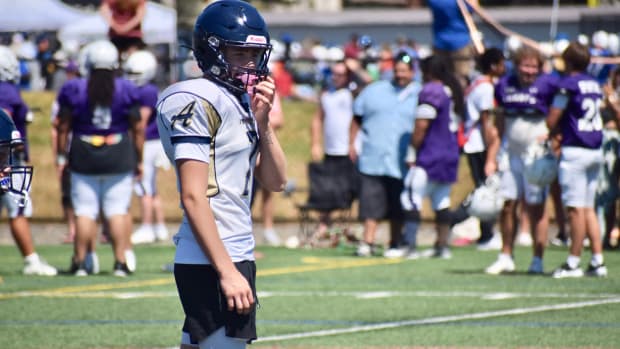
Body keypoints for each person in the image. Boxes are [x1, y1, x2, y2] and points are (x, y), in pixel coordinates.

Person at [156, 1, 286, 347]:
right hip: (212, 255)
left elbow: (276, 182)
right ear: (212, 51)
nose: (250, 64)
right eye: (239, 53)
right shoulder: (195, 98)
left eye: (254, 55)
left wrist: (264, 123)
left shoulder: (240, 100)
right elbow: (192, 195)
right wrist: (226, 271)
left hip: (234, 247)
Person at [56, 40, 143, 277]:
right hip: (118, 152)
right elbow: (137, 128)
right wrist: (139, 158)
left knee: (85, 211)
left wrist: (62, 155)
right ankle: (120, 262)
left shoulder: (74, 88)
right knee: (116, 210)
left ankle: (81, 261)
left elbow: (63, 126)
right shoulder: (126, 88)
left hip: (84, 153)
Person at [484, 46, 559, 275]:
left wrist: (553, 139)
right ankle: (506, 255)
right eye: (525, 65)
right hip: (511, 153)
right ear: (516, 66)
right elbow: (498, 123)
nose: (529, 71)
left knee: (537, 207)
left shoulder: (548, 85)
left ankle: (537, 259)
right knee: (507, 205)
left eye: (533, 66)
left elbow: (559, 114)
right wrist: (492, 156)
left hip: (535, 155)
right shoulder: (504, 85)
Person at [350, 51, 420, 257]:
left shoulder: (419, 93)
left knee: (397, 204)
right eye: (397, 70)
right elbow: (356, 117)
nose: (400, 75)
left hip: (402, 159)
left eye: (404, 71)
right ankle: (368, 241)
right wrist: (351, 143)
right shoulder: (375, 90)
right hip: (373, 156)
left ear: (412, 72)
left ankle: (395, 242)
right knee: (371, 202)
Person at [547, 42, 608, 278]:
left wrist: (553, 132)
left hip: (576, 150)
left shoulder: (568, 85)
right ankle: (597, 260)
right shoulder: (593, 83)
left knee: (575, 210)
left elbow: (553, 119)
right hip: (595, 149)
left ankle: (573, 262)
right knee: (589, 208)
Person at [395, 55, 463, 260]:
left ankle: (410, 245)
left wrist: (412, 150)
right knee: (441, 201)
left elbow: (422, 125)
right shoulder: (452, 91)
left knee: (410, 197)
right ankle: (442, 246)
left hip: (430, 153)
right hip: (450, 154)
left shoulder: (432, 90)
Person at [0, 52, 56, 276]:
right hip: (7, 161)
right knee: (18, 209)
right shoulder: (7, 91)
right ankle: (31, 260)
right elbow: (4, 117)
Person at [450, 47, 505, 251]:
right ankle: (454, 221)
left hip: (475, 143)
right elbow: (485, 121)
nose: (504, 67)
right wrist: (491, 150)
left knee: (485, 189)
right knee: (485, 191)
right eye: (501, 63)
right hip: (479, 144)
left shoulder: (480, 83)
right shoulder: (485, 88)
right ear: (493, 66)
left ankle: (485, 233)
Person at [122, 50, 170, 245]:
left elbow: (140, 123)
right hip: (152, 141)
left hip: (148, 142)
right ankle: (159, 227)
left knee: (144, 187)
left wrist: (136, 153)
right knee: (152, 188)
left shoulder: (147, 91)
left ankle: (147, 226)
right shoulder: (148, 89)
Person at [309, 61, 358, 243]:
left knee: (348, 191)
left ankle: (346, 227)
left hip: (347, 150)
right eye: (334, 74)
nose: (336, 77)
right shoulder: (326, 95)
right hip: (331, 150)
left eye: (340, 74)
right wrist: (315, 144)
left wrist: (354, 144)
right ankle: (324, 226)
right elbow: (317, 120)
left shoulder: (352, 94)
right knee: (327, 190)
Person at [427, 0, 479, 86]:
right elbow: (473, 7)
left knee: (444, 78)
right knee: (460, 79)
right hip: (460, 43)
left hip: (442, 42)